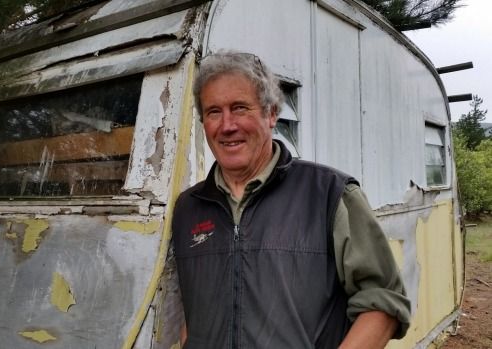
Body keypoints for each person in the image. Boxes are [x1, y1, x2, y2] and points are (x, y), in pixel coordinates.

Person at [171, 51, 411, 348]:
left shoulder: (330, 194)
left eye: (240, 108)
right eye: (213, 112)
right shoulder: (187, 208)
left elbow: (383, 300)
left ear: (271, 114)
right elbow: (192, 310)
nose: (227, 125)